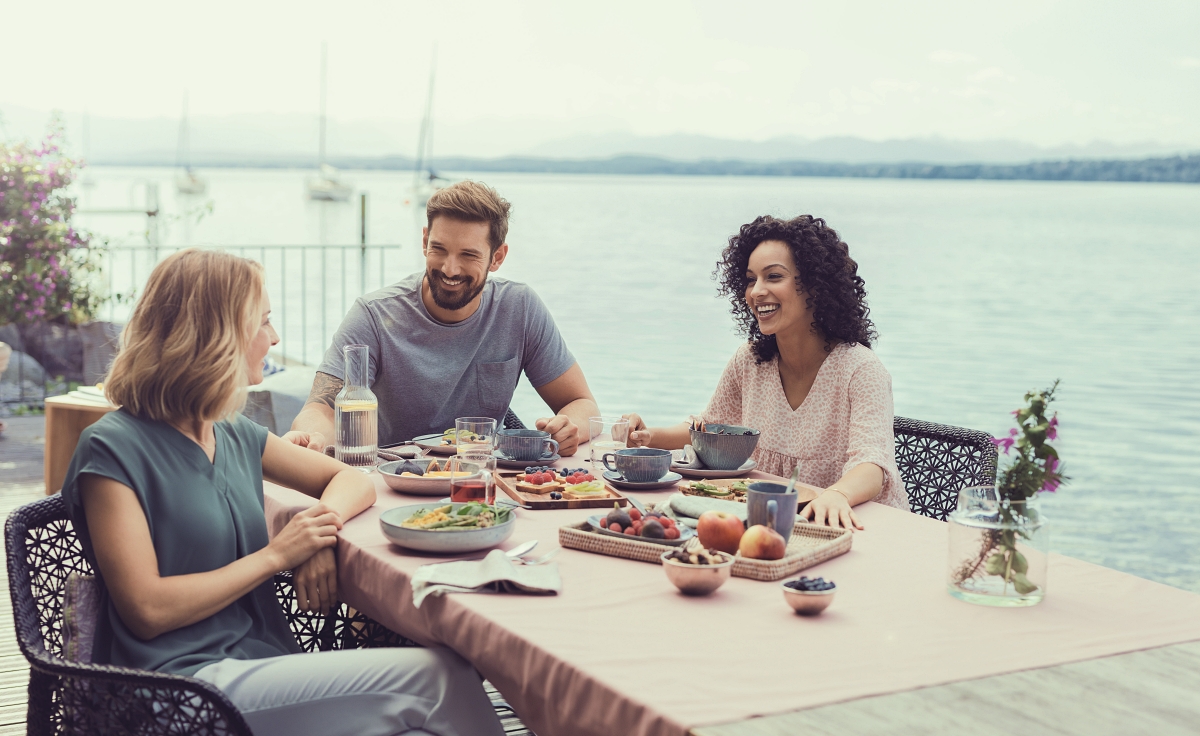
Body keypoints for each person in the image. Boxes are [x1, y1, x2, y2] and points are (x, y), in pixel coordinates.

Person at [59, 249, 504, 736]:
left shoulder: (228, 431)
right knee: (440, 677)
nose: (275, 338)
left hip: (260, 663)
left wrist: (315, 534)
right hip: (180, 689)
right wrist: (279, 555)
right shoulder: (111, 448)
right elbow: (146, 610)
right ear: (217, 334)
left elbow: (352, 479)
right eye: (263, 322)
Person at [623, 215, 907, 531]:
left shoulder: (861, 371)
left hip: (857, 526)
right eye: (749, 279)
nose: (756, 291)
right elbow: (710, 428)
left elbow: (872, 465)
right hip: (772, 527)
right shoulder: (750, 361)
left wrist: (837, 494)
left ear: (815, 286)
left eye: (773, 276)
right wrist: (649, 437)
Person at [286, 180, 598, 455]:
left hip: (484, 482)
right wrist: (312, 436)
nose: (450, 269)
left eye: (468, 255)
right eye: (439, 249)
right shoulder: (373, 316)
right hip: (395, 482)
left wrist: (570, 428)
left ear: (497, 257)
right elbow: (322, 408)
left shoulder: (520, 308)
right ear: (424, 241)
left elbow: (581, 403)